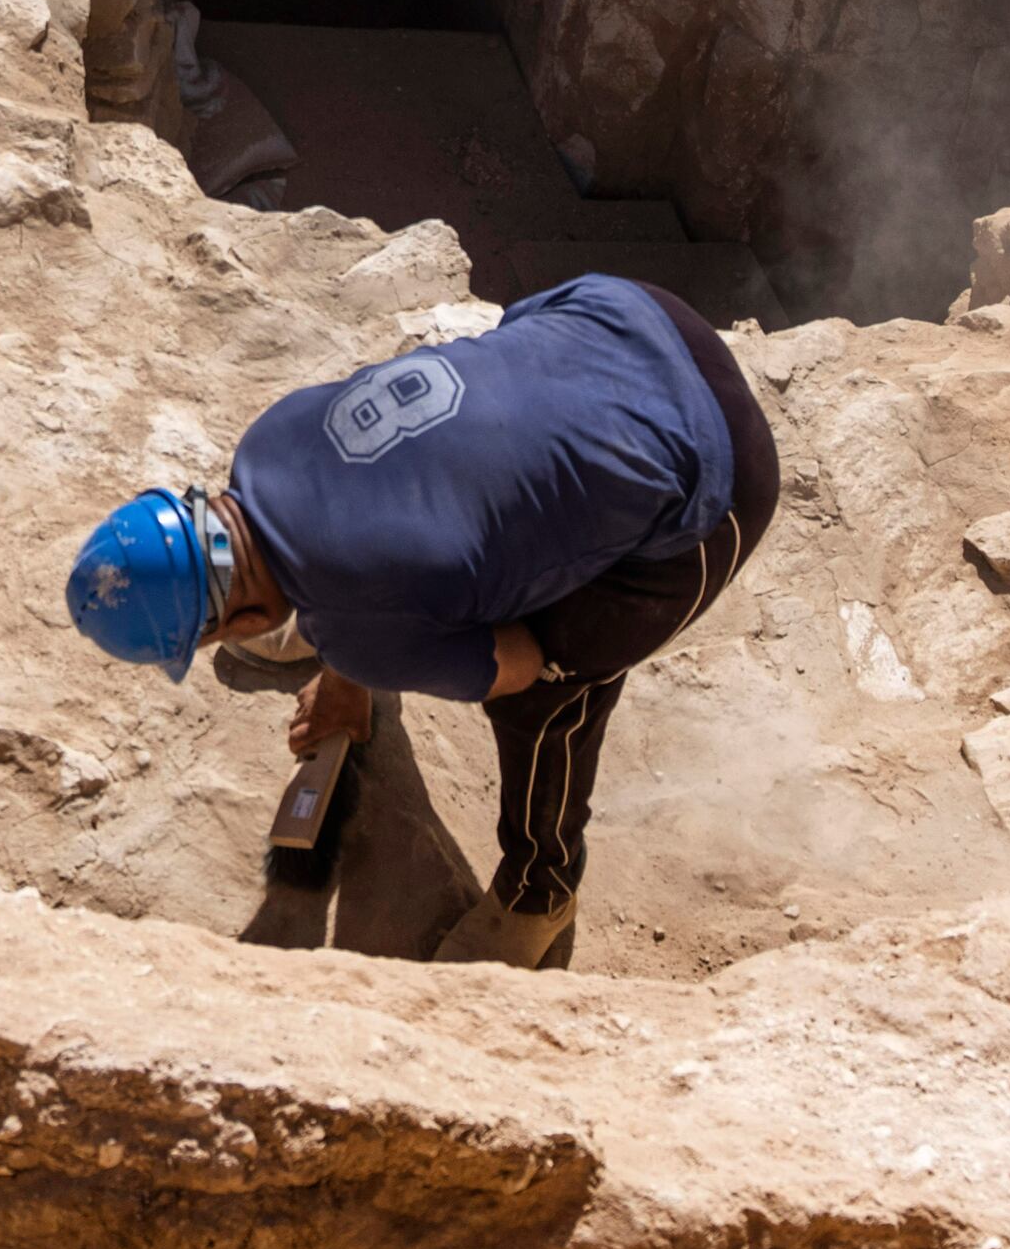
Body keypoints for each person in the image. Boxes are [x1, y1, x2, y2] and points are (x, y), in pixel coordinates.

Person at [65, 274, 777, 966]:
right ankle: (375, 614)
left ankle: (540, 892)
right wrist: (352, 654)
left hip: (716, 465)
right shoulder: (267, 440)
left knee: (552, 688)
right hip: (623, 311)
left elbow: (515, 665)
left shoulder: (360, 626)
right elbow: (364, 511)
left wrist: (374, 648)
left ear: (245, 614)